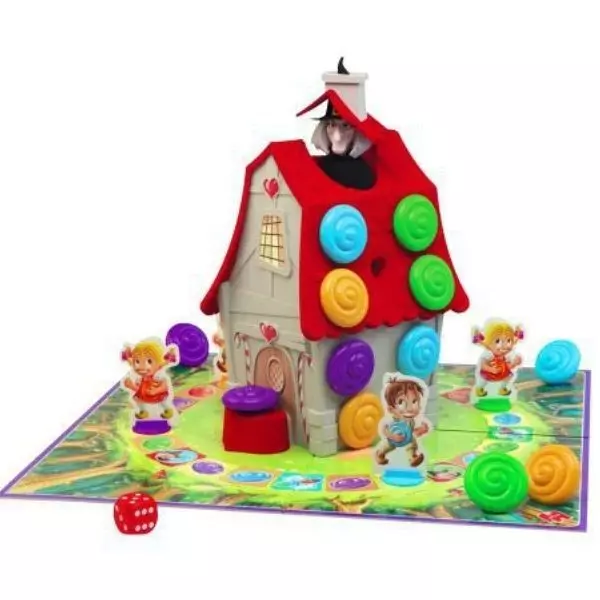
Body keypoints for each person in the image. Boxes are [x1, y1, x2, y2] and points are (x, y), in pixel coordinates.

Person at [311, 59, 375, 190]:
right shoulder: (318, 169)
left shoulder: (363, 175)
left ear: (359, 132)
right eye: (332, 125)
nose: (337, 137)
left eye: (346, 126)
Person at [472, 319, 524, 397]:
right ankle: (480, 388)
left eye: (508, 340)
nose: (505, 345)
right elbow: (483, 365)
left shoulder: (508, 355)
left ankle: (502, 389)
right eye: (497, 341)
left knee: (510, 376)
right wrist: (491, 369)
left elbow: (508, 366)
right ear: (488, 343)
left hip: (502, 373)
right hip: (489, 374)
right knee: (483, 380)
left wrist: (515, 363)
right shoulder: (488, 354)